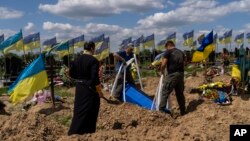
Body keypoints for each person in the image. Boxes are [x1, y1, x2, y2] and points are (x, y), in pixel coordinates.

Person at [68, 41, 103, 135]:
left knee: (79, 111)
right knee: (91, 111)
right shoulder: (93, 60)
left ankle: (74, 132)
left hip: (79, 88)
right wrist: (99, 91)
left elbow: (71, 74)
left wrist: (80, 78)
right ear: (92, 48)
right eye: (94, 48)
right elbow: (94, 78)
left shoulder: (76, 59)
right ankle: (88, 132)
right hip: (90, 89)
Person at [160, 40, 186, 115]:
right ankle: (183, 111)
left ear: (168, 45)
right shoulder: (181, 52)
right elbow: (184, 64)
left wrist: (161, 71)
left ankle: (161, 111)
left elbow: (164, 64)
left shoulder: (168, 52)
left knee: (165, 91)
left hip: (172, 74)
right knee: (179, 93)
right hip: (181, 74)